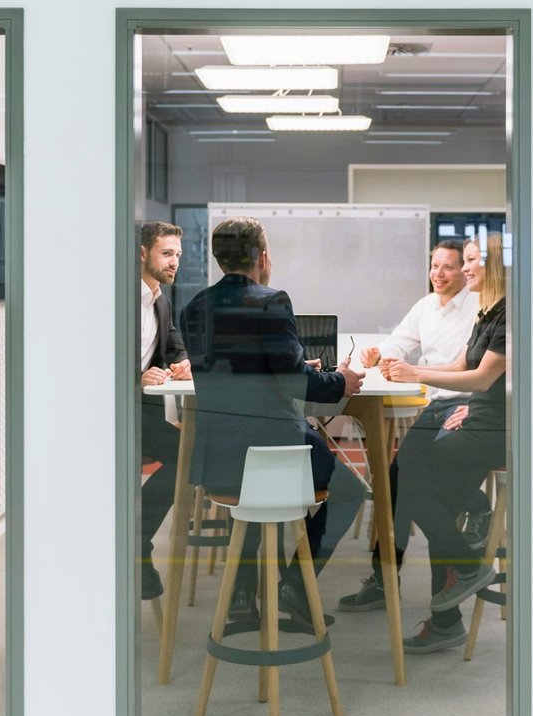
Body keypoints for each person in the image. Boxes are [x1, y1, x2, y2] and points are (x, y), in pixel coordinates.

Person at [178, 216, 368, 631]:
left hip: (221, 461)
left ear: (218, 258)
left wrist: (298, 365)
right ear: (263, 257)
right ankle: (293, 589)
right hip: (276, 454)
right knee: (351, 490)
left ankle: (243, 596)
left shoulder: (193, 308)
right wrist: (342, 381)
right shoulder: (271, 300)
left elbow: (244, 374)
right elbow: (295, 383)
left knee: (252, 496)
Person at [379, 232, 509, 653]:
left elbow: (484, 378)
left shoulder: (510, 314)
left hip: (493, 429)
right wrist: (409, 368)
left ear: (496, 266)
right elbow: (463, 366)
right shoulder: (490, 313)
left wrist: (417, 375)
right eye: (464, 260)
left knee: (411, 487)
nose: (466, 268)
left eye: (473, 261)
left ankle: (467, 571)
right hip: (476, 414)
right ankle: (447, 615)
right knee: (416, 486)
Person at [340, 240, 481, 613]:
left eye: (450, 266)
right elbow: (397, 344)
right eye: (435, 266)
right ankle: (384, 580)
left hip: (465, 407)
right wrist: (378, 354)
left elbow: (480, 370)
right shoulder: (425, 307)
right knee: (395, 481)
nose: (439, 274)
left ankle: (474, 517)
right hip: (436, 406)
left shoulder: (478, 308)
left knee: (416, 483)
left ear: (465, 272)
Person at [137, 221, 192, 600]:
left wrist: (184, 361)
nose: (174, 262)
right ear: (143, 253)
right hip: (111, 413)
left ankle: (137, 542)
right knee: (185, 456)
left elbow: (174, 345)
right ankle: (138, 543)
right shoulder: (117, 296)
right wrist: (137, 376)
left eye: (177, 255)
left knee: (186, 456)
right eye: (166, 254)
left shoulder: (161, 299)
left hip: (144, 411)